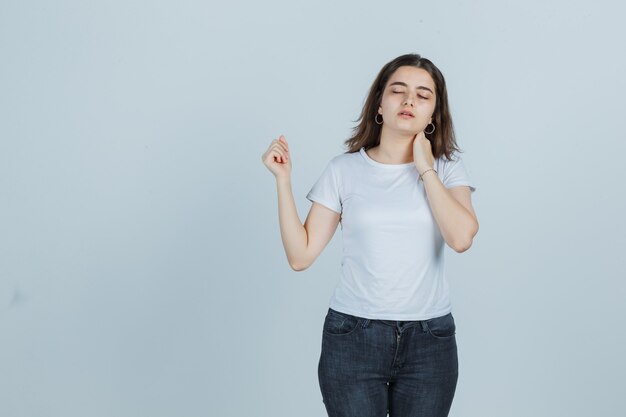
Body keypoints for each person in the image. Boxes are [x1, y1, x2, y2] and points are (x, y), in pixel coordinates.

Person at [261, 53, 478, 417]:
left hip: (430, 340)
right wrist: (283, 182)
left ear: (433, 115)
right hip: (353, 337)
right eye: (398, 90)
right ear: (380, 103)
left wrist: (425, 167)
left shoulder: (447, 169)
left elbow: (461, 238)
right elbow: (301, 256)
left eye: (423, 95)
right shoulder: (344, 170)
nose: (409, 100)